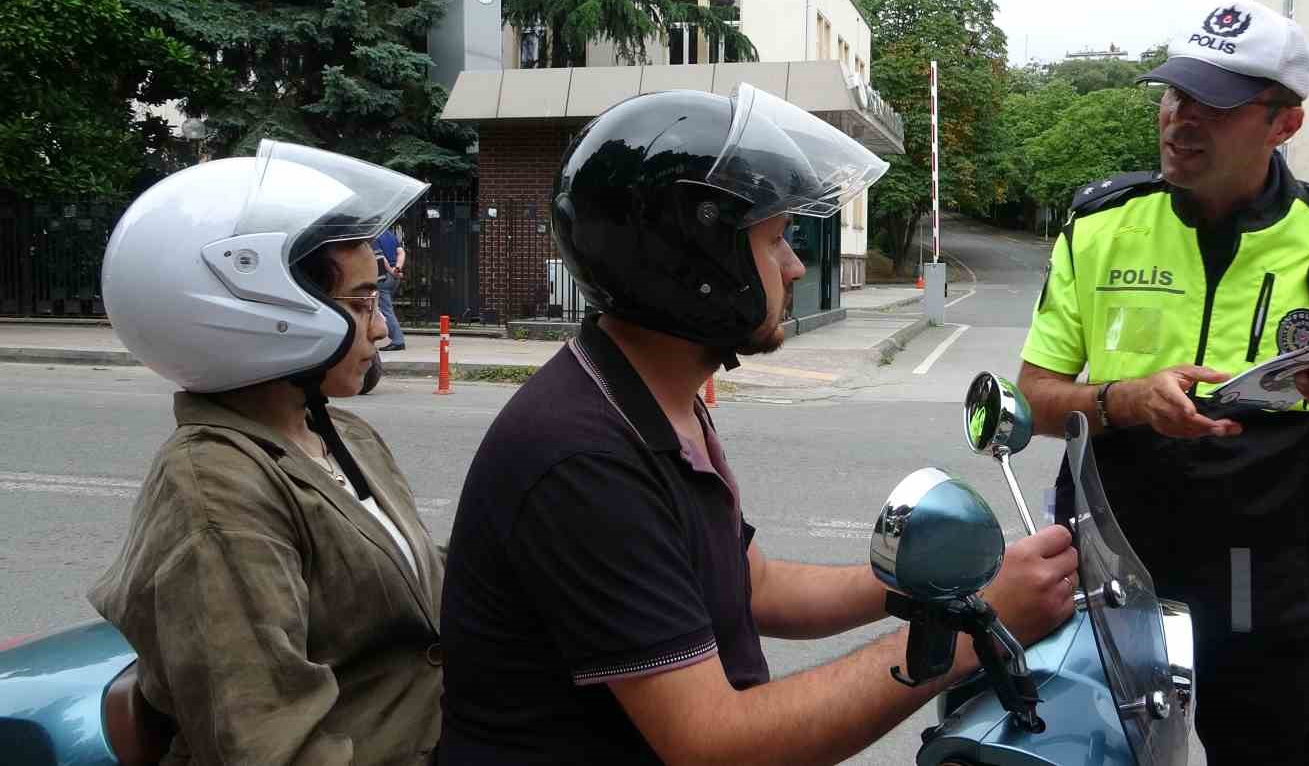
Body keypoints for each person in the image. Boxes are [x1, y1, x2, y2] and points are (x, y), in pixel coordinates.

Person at [437, 85, 1080, 764]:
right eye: (775, 240)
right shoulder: (584, 458)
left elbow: (757, 586)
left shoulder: (652, 404)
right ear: (697, 265)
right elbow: (714, 746)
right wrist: (975, 636)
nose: (795, 265)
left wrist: (958, 590)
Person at [1016, 1, 1309, 765]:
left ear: (1283, 125)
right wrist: (1126, 400)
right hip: (1115, 566)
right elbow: (1035, 395)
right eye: (1175, 95)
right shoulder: (1102, 225)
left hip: (1263, 578)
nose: (1181, 121)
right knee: (1088, 753)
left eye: (1217, 106)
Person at [89, 140, 448, 764]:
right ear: (261, 313)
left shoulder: (340, 435)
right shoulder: (215, 488)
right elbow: (266, 743)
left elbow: (418, 586)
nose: (382, 328)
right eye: (360, 304)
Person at [372, 224, 406, 350]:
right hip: (394, 277)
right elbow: (401, 252)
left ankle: (398, 341)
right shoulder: (390, 235)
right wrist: (397, 269)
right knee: (383, 308)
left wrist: (391, 271)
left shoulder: (373, 236)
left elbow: (381, 257)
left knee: (385, 310)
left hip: (383, 277)